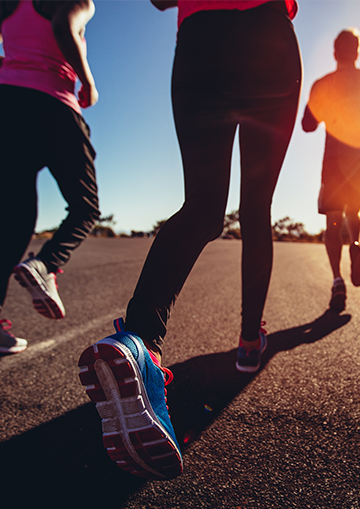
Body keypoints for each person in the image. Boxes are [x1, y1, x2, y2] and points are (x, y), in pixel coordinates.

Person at [77, 0, 301, 479]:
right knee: (256, 208)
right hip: (268, 37)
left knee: (203, 205)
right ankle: (247, 340)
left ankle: (142, 344)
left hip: (201, 40)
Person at [0, 0, 100, 354]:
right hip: (52, 104)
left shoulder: (7, 2)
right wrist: (87, 81)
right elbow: (64, 28)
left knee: (14, 224)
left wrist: (14, 63)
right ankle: (46, 265)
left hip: (2, 104)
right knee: (85, 208)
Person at [302, 29, 360, 312]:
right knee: (354, 211)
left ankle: (338, 279)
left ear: (334, 52)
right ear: (357, 52)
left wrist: (325, 109)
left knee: (333, 219)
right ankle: (355, 244)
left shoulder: (323, 84)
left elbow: (307, 124)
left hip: (334, 159)